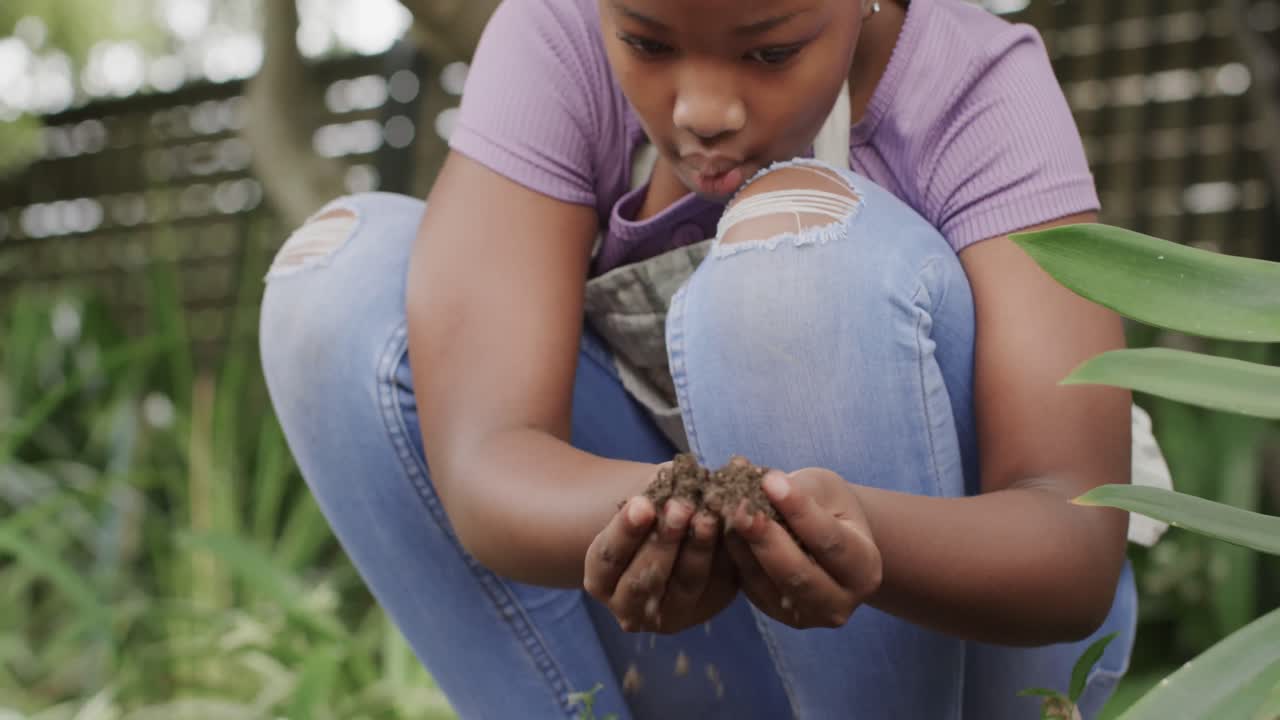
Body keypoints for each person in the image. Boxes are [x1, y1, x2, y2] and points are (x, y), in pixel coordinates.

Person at [258, 0, 1147, 717]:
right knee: (338, 282)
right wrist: (669, 519)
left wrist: (861, 529)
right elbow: (487, 456)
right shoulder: (557, 46)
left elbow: (1070, 545)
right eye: (647, 41)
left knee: (792, 244)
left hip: (962, 638)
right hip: (702, 632)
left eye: (769, 52)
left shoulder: (974, 92)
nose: (701, 111)